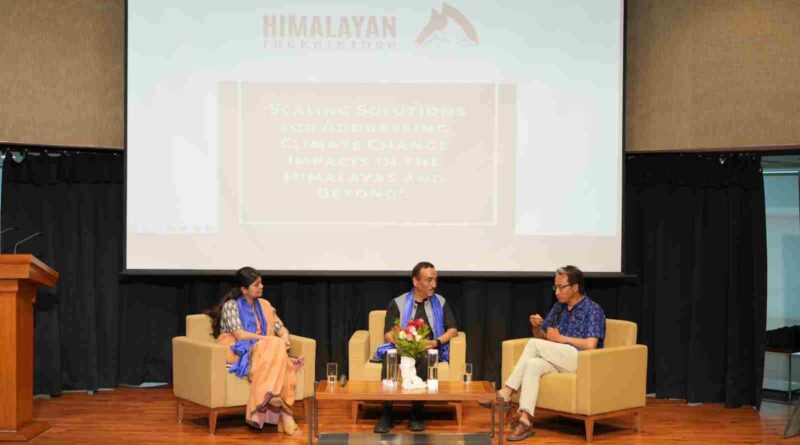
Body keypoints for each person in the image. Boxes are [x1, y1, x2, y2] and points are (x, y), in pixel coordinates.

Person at [501, 265, 606, 441]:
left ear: (575, 286)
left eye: (561, 287)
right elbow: (542, 337)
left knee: (534, 345)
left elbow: (591, 345)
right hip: (560, 358)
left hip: (581, 360)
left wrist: (561, 338)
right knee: (532, 364)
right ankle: (525, 420)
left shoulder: (593, 309)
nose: (557, 292)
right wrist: (536, 327)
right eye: (555, 287)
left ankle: (506, 391)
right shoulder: (559, 307)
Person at [205, 266, 304, 436]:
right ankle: (285, 416)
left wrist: (285, 335)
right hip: (237, 349)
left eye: (261, 283)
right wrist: (270, 340)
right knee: (276, 348)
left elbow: (279, 326)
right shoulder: (231, 306)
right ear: (243, 289)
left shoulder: (265, 305)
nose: (261, 287)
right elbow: (239, 335)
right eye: (256, 284)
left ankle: (274, 399)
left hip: (265, 349)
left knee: (277, 347)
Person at [373, 261, 458, 433]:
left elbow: (453, 330)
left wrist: (436, 342)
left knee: (426, 358)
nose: (433, 284)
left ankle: (417, 413)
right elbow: (388, 334)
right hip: (402, 346)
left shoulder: (440, 302)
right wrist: (405, 343)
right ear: (415, 281)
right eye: (428, 280)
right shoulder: (398, 302)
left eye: (435, 280)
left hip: (428, 348)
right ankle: (387, 414)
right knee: (389, 358)